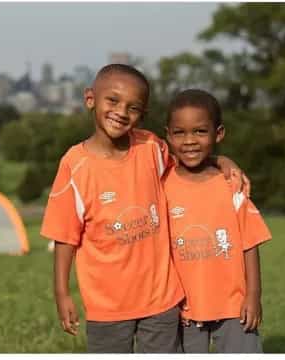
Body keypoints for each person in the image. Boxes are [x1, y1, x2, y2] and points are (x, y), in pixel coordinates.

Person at [40, 64, 246, 353]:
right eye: (112, 101)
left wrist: (221, 161)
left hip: (161, 301)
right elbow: (64, 236)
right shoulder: (74, 165)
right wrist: (62, 292)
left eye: (133, 107)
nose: (121, 112)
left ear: (143, 114)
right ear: (90, 99)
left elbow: (189, 158)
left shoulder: (151, 147)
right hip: (107, 306)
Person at [163, 89, 272, 353]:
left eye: (200, 131)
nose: (189, 141)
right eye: (180, 132)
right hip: (183, 309)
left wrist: (253, 295)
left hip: (234, 307)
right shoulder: (161, 185)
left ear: (218, 134)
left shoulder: (231, 185)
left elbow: (250, 243)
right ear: (168, 135)